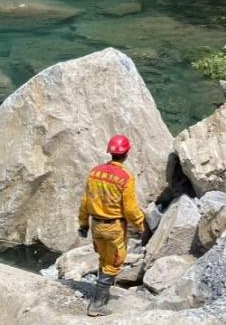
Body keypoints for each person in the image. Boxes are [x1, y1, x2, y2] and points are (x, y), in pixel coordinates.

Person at [78, 134, 150, 317]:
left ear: (110, 152)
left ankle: (102, 293)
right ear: (126, 153)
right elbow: (131, 209)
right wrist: (143, 226)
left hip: (96, 225)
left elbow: (85, 201)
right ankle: (97, 305)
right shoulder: (126, 177)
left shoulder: (95, 172)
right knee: (115, 262)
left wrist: (83, 223)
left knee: (103, 258)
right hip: (114, 228)